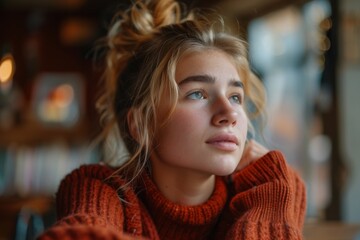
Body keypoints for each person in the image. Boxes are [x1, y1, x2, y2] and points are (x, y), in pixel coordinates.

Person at [38, 0, 306, 239]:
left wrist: (271, 195)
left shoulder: (273, 188)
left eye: (235, 97)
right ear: (141, 125)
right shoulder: (99, 190)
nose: (229, 114)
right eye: (198, 94)